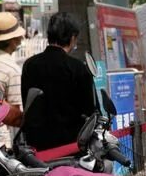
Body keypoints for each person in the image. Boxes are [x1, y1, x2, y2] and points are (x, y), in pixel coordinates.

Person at [19, 11, 96, 151]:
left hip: (37, 147)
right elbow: (90, 110)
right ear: (73, 38)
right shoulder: (78, 68)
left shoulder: (30, 65)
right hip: (71, 146)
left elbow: (27, 103)